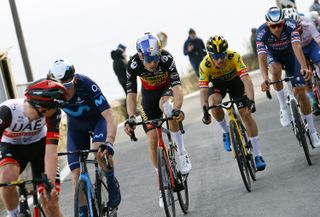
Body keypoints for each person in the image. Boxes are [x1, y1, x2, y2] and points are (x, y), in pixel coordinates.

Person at [124, 33, 192, 208]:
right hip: (148, 96)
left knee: (167, 107)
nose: (153, 63)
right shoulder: (133, 64)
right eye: (148, 59)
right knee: (152, 137)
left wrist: (177, 108)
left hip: (166, 89)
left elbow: (177, 87)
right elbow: (131, 94)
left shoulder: (167, 58)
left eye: (155, 58)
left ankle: (182, 153)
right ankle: (162, 183)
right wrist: (131, 117)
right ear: (140, 56)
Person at [48, 59, 121, 214]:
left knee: (98, 153)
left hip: (97, 122)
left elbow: (109, 116)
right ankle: (82, 212)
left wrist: (109, 142)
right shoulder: (52, 93)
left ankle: (110, 179)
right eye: (61, 88)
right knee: (75, 175)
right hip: (76, 128)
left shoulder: (86, 84)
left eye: (67, 86)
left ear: (74, 79)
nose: (65, 91)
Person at [0, 78, 66, 217]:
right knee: (7, 177)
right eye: (46, 112)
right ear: (41, 107)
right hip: (12, 147)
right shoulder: (7, 110)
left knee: (50, 202)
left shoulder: (53, 114)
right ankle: (13, 214)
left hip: (39, 148)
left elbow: (51, 152)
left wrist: (50, 184)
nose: (51, 113)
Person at [199, 35, 266, 171]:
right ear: (209, 55)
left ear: (226, 52)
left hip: (236, 83)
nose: (219, 60)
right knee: (214, 102)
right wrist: (205, 111)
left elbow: (246, 80)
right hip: (218, 85)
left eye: (222, 56)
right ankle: (225, 132)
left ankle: (258, 155)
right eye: (215, 57)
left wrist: (251, 101)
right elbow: (203, 90)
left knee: (245, 114)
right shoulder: (204, 65)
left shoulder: (234, 56)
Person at [257, 7, 320, 147]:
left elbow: (297, 47)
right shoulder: (261, 32)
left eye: (280, 24)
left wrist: (304, 67)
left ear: (284, 21)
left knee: (300, 92)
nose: (277, 28)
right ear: (268, 24)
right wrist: (265, 79)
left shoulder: (291, 25)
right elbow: (261, 58)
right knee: (275, 68)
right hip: (274, 57)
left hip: (291, 55)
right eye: (273, 26)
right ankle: (283, 107)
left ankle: (313, 132)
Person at [283, 8, 320, 115]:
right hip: (299, 49)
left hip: (311, 45)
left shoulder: (308, 22)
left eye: (298, 27)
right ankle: (313, 102)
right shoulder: (285, 31)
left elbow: (318, 40)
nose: (296, 30)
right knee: (305, 76)